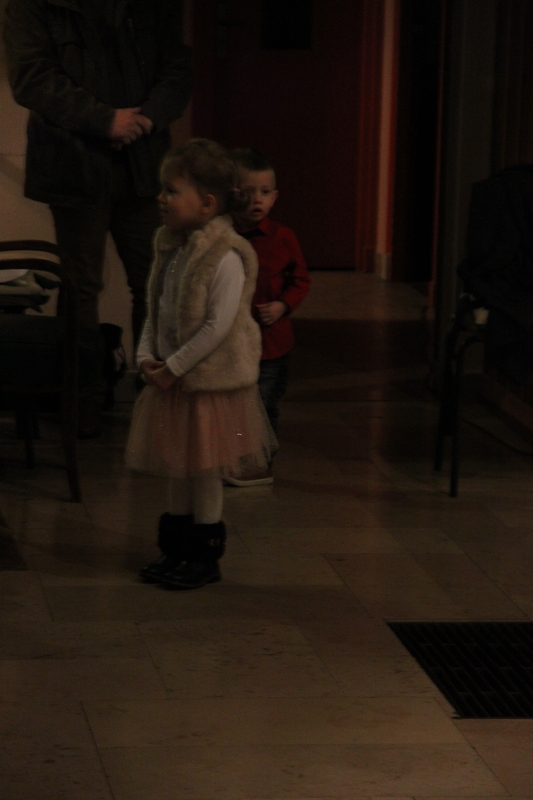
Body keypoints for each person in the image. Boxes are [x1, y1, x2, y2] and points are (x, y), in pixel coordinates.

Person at [3, 0, 193, 437]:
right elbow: (32, 77)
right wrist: (103, 120)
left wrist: (145, 120)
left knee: (156, 283)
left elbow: (177, 68)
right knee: (81, 287)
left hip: (144, 166)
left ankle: (154, 397)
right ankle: (82, 396)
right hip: (72, 164)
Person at [125, 139, 277, 590]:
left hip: (208, 384)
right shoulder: (171, 246)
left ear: (207, 203)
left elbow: (217, 326)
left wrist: (173, 367)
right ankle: (176, 548)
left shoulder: (226, 254)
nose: (161, 198)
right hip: (173, 379)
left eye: (172, 190)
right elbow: (156, 307)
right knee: (179, 465)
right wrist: (145, 355)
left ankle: (203, 557)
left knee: (205, 469)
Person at [226, 147, 311, 486]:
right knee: (233, 402)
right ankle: (234, 456)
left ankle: (261, 460)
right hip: (232, 341)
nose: (256, 200)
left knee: (264, 402)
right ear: (232, 194)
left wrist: (283, 305)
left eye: (264, 192)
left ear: (274, 197)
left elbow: (300, 279)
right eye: (247, 192)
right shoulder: (222, 236)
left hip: (271, 343)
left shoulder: (282, 237)